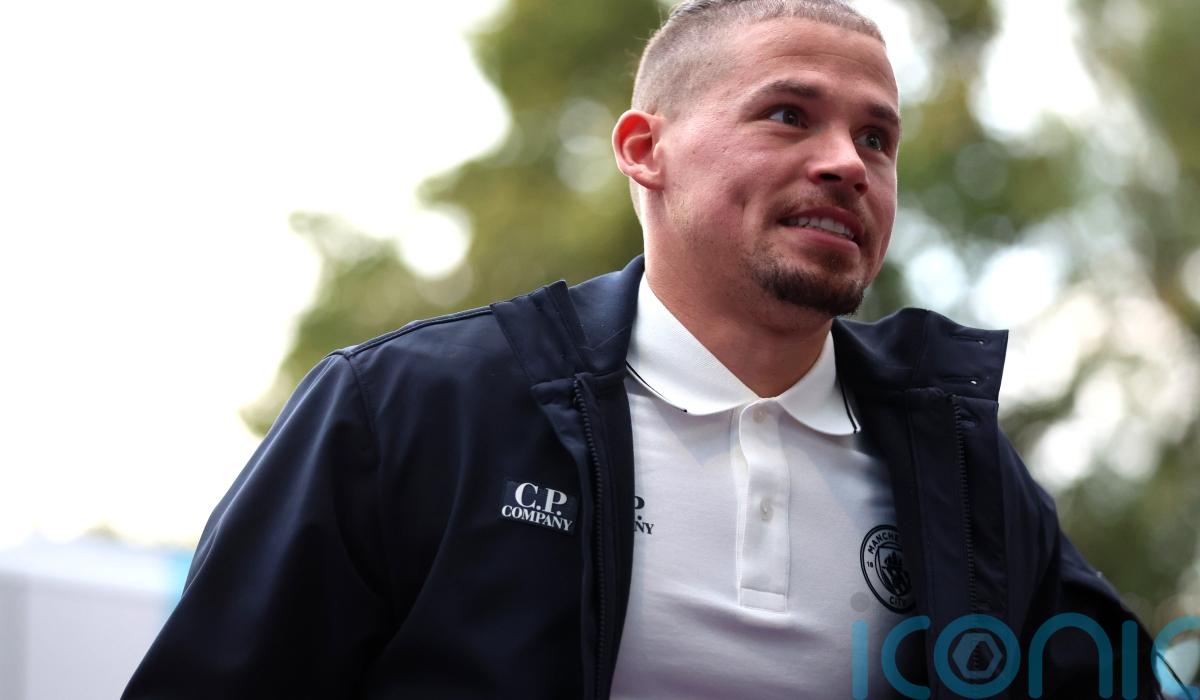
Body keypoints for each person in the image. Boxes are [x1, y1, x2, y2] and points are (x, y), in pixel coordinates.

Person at [124, 1, 1169, 698]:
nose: (848, 164)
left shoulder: (961, 471)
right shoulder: (407, 410)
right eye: (789, 115)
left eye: (877, 138)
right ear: (644, 150)